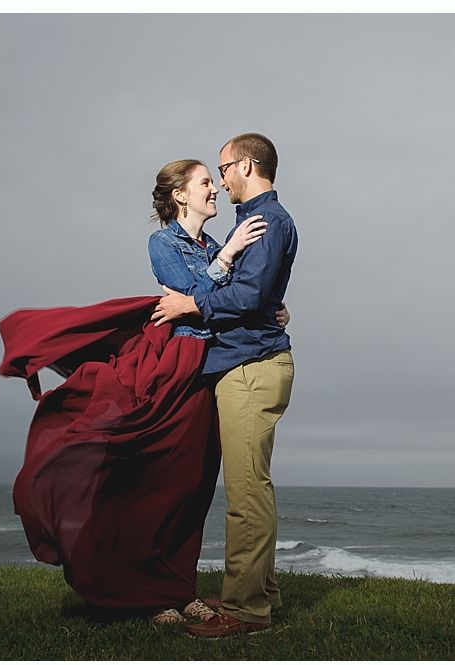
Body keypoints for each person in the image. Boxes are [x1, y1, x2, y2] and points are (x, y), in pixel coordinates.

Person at [0, 157, 283, 626]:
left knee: (190, 486)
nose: (214, 188)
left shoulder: (211, 242)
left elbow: (236, 302)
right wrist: (228, 256)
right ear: (180, 195)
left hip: (208, 370)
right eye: (205, 182)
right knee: (156, 481)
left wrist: (273, 309)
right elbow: (193, 294)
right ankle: (145, 595)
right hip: (173, 366)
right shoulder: (163, 243)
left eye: (215, 180)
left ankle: (177, 587)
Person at [152, 133, 298, 638]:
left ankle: (244, 609)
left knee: (245, 492)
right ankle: (261, 594)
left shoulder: (264, 221)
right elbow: (257, 293)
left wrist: (194, 304)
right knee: (253, 487)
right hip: (246, 361)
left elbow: (248, 292)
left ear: (248, 164)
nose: (220, 180)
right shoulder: (248, 225)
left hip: (250, 367)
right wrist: (270, 306)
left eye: (224, 168)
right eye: (210, 175)